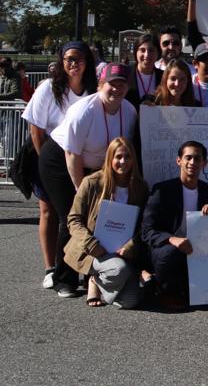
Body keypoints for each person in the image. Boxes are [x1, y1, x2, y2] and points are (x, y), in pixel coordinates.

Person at [38, 62, 138, 298]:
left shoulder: (130, 111)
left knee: (99, 217)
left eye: (122, 85)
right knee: (72, 216)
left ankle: (92, 273)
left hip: (97, 166)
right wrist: (79, 189)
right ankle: (64, 279)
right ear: (101, 84)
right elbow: (71, 153)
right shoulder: (84, 110)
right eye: (111, 84)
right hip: (60, 161)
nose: (116, 90)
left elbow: (122, 148)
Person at [21, 41, 97, 289]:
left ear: (87, 61)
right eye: (68, 59)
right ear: (61, 61)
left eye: (79, 58)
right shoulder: (49, 88)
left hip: (80, 159)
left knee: (77, 215)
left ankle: (80, 265)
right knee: (50, 212)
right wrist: (47, 163)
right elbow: (36, 129)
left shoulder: (93, 88)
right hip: (49, 157)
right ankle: (51, 267)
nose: (74, 64)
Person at [65, 136, 149, 309]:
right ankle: (94, 280)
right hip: (94, 250)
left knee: (129, 301)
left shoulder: (140, 188)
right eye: (118, 157)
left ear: (133, 159)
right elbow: (73, 219)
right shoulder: (92, 182)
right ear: (110, 158)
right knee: (119, 270)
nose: (123, 161)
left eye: (127, 157)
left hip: (123, 253)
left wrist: (132, 245)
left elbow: (144, 225)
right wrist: (91, 243)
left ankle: (99, 283)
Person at [141, 140, 208, 310]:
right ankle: (165, 292)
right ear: (179, 160)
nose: (192, 162)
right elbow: (146, 231)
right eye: (188, 157)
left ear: (204, 163)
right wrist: (172, 239)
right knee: (171, 252)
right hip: (166, 249)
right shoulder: (162, 191)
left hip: (197, 249)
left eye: (197, 158)